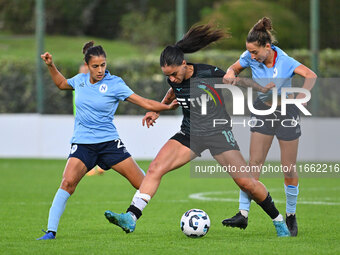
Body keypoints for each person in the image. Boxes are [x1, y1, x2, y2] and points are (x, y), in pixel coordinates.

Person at [104, 24, 291, 237]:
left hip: (218, 133)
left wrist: (262, 88)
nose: (172, 78)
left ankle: (278, 221)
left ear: (184, 64)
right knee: (156, 167)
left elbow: (237, 81)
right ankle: (131, 217)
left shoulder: (208, 73)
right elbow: (172, 91)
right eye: (168, 76)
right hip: (190, 134)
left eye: (174, 73)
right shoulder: (174, 79)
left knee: (246, 182)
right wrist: (158, 110)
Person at [37, 41, 178, 240]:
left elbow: (144, 102)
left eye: (103, 65)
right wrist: (51, 65)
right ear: (87, 65)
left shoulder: (115, 84)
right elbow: (61, 84)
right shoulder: (80, 80)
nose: (101, 69)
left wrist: (167, 108)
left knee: (144, 183)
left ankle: (132, 217)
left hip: (109, 144)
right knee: (67, 182)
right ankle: (50, 232)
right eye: (95, 66)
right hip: (83, 144)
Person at [221, 17, 317, 236]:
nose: (251, 57)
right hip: (263, 110)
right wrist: (230, 72)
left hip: (286, 112)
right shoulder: (249, 56)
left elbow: (311, 75)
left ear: (268, 47)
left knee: (288, 167)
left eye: (255, 52)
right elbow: (234, 68)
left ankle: (291, 215)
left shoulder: (285, 61)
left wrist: (303, 96)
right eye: (249, 52)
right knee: (253, 164)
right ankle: (242, 215)